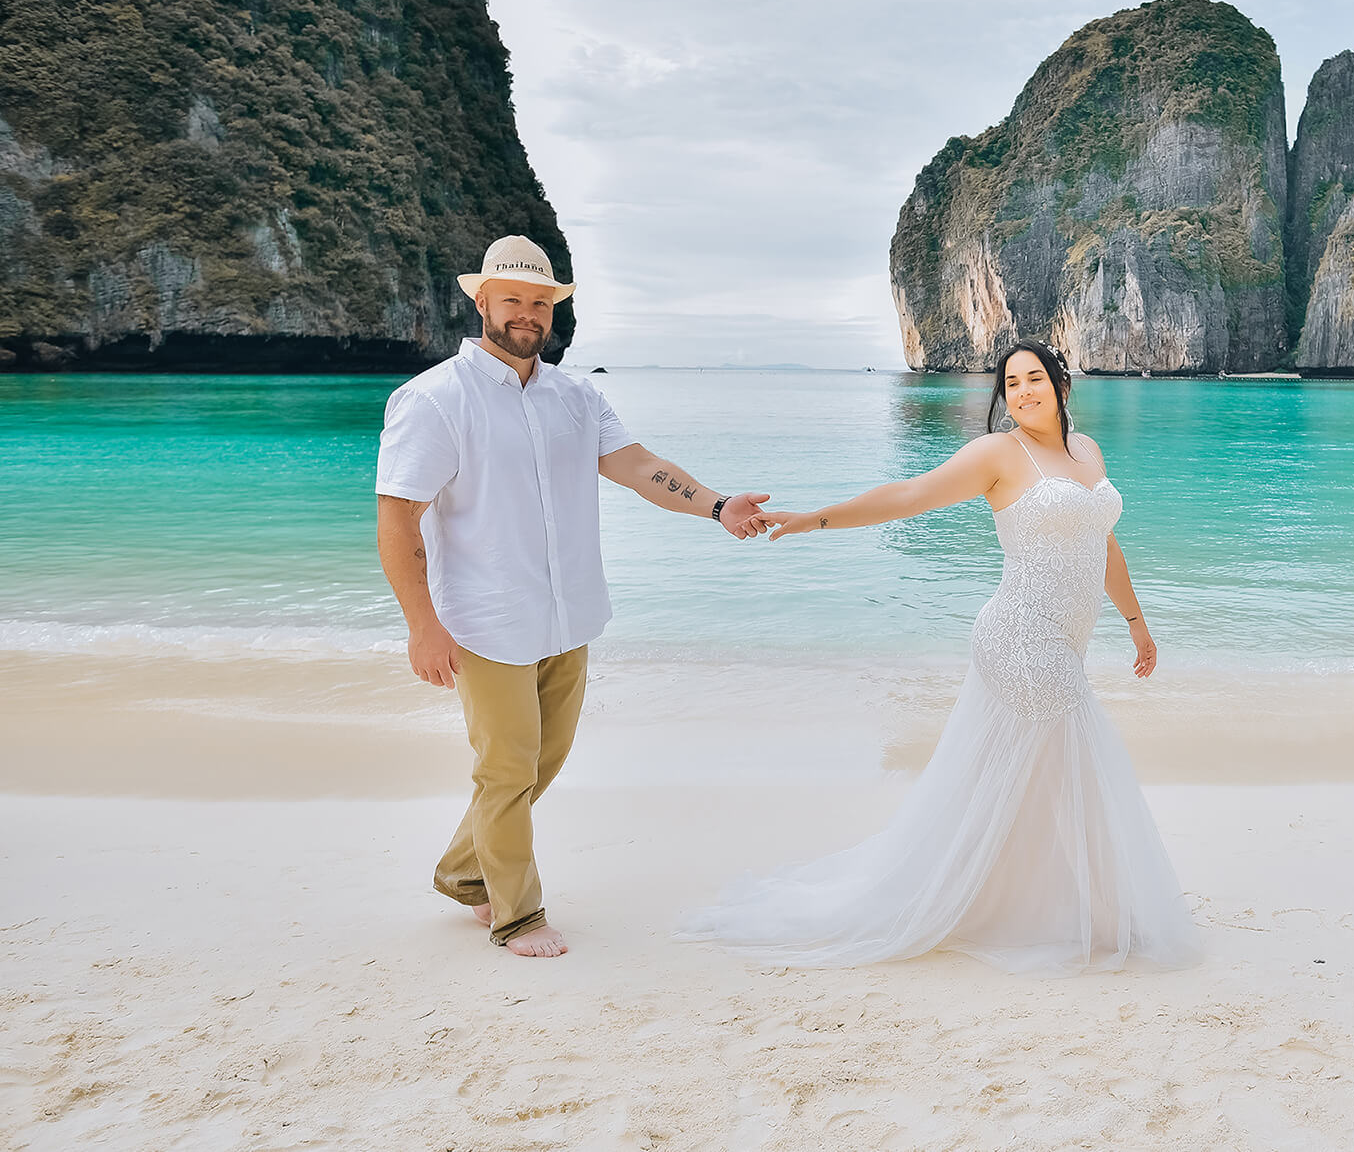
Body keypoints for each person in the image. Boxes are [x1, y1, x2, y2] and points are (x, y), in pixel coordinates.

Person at [677, 339, 1201, 973]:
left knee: (1028, 781)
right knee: (1077, 769)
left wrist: (1137, 624)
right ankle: (1101, 918)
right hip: (1020, 638)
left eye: (1035, 378)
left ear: (1062, 385)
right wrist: (816, 519)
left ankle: (1036, 905)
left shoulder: (1086, 452)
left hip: (1067, 641)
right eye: (1011, 383)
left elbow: (1104, 544)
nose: (1024, 391)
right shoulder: (999, 454)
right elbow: (907, 496)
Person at [375, 235, 776, 958]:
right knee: (506, 768)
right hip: (485, 620)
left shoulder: (576, 396)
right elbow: (397, 516)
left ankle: (467, 872)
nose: (526, 314)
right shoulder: (434, 400)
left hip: (567, 615)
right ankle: (516, 915)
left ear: (551, 309)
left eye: (539, 301)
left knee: (542, 763)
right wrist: (420, 627)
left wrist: (717, 506)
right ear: (482, 302)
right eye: (513, 300)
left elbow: (638, 466)